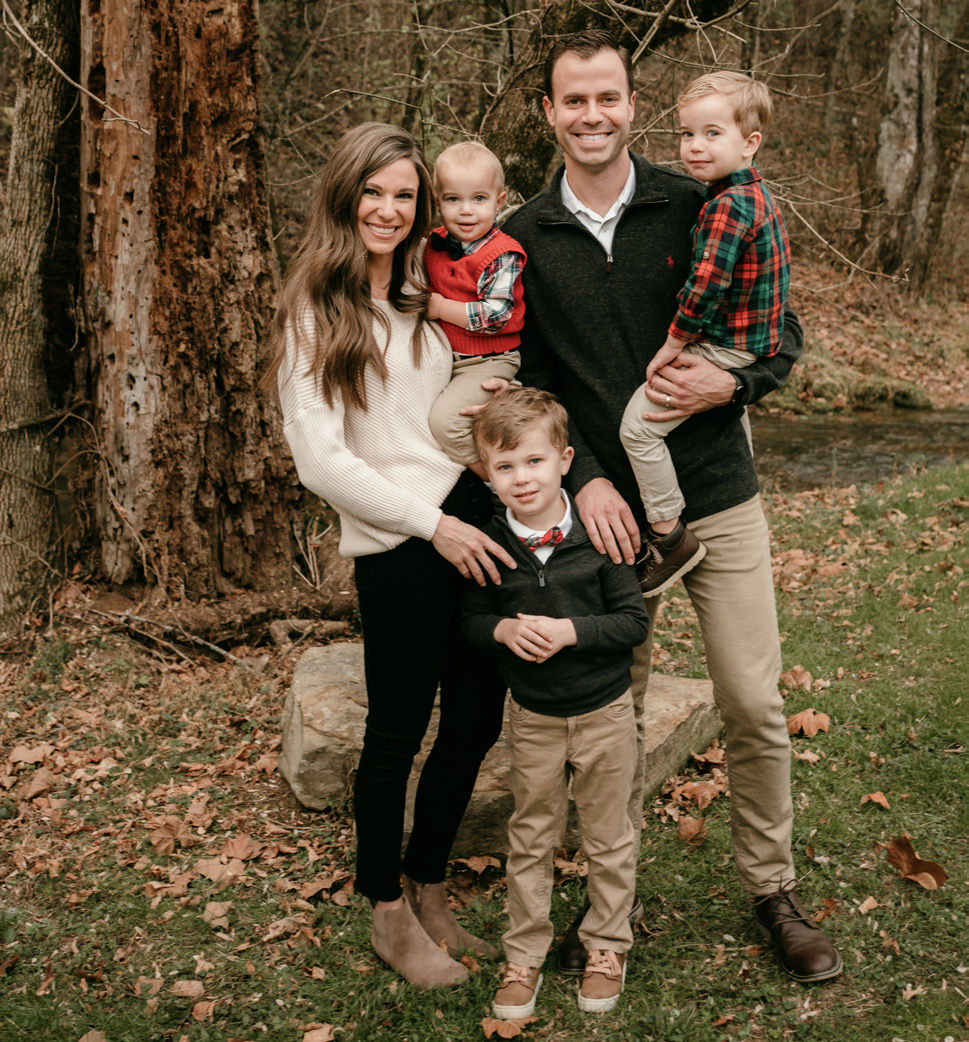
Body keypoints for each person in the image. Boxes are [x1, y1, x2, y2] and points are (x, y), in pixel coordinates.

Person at [501, 31, 842, 983]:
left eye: (608, 96)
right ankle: (610, 909)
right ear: (550, 113)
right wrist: (585, 482)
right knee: (615, 720)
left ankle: (772, 889)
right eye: (574, 100)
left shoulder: (696, 201)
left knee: (752, 702)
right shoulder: (525, 234)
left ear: (629, 103)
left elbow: (780, 330)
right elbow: (527, 380)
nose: (593, 115)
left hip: (717, 498)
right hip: (608, 525)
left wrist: (732, 391)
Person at [269, 122, 515, 988]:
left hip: (473, 517)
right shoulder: (314, 308)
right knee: (395, 734)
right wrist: (429, 523)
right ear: (344, 196)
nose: (388, 207)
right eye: (373, 191)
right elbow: (320, 460)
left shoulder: (423, 286)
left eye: (404, 194)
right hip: (403, 545)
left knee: (479, 718)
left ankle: (430, 883)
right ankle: (385, 910)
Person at [460, 387, 648, 1017]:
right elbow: (470, 620)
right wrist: (503, 630)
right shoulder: (492, 544)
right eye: (504, 467)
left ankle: (606, 944)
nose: (521, 478)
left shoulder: (597, 537)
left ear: (565, 460)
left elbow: (631, 623)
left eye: (534, 462)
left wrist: (572, 632)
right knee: (532, 834)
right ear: (485, 473)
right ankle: (524, 955)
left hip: (605, 712)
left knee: (608, 833)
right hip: (534, 717)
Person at [619, 72, 790, 594]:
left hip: (722, 347)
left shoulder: (724, 207)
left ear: (749, 142)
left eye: (712, 133)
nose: (694, 146)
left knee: (638, 429)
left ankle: (670, 535)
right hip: (750, 343)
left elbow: (701, 291)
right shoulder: (757, 197)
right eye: (687, 133)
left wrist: (672, 348)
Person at [425, 141, 526, 479]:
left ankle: (497, 485)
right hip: (450, 356)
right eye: (453, 199)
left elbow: (494, 316)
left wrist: (440, 307)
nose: (466, 211)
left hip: (489, 359)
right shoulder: (433, 244)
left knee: (446, 422)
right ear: (438, 201)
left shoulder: (502, 254)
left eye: (478, 199)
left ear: (499, 201)